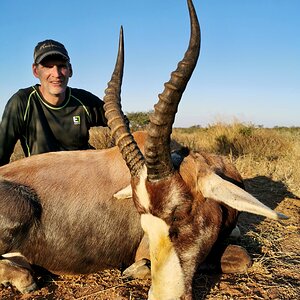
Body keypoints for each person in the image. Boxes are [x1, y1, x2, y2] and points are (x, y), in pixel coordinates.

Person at [0, 39, 108, 166]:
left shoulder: (84, 100)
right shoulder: (22, 102)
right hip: (41, 182)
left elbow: (121, 123)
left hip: (84, 177)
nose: (56, 74)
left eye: (62, 66)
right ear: (35, 71)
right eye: (48, 66)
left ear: (70, 70)